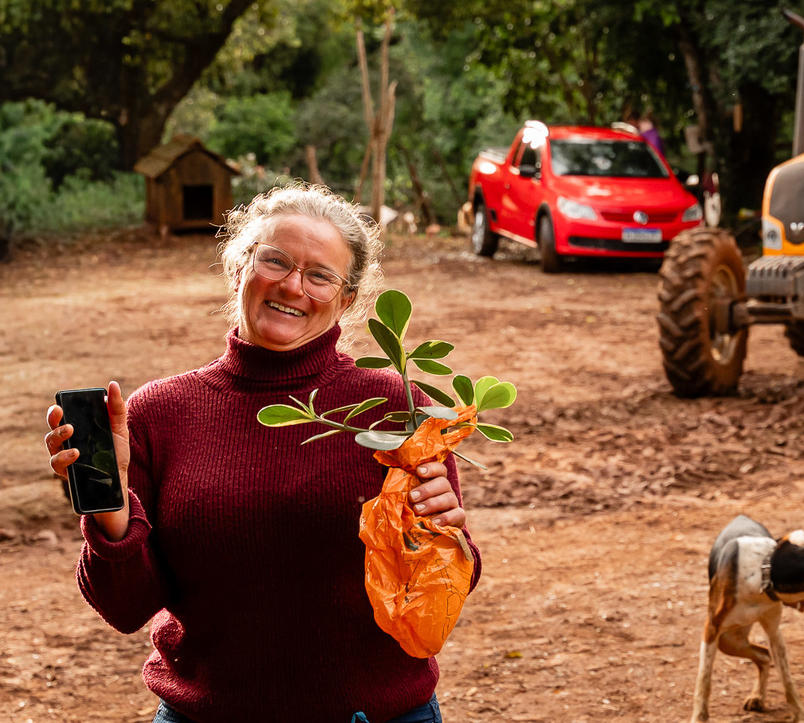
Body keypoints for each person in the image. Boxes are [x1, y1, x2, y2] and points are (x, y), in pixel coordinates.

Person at [45, 182, 479, 723]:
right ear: (238, 267)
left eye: (320, 275)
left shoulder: (396, 409)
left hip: (378, 715)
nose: (293, 285)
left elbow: (446, 588)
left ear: (345, 300)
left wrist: (441, 539)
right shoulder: (159, 413)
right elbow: (126, 608)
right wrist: (110, 508)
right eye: (275, 260)